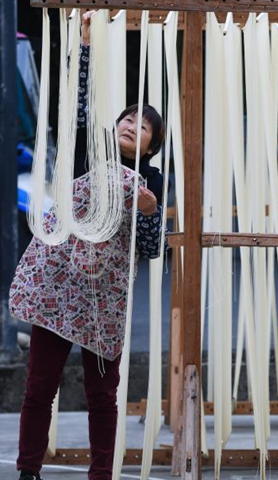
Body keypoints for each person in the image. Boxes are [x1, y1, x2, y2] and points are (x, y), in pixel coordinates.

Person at [9, 11, 165, 480]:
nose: (131, 126)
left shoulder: (150, 182)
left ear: (152, 147)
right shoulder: (87, 151)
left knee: (102, 396)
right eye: (127, 119)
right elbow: (80, 104)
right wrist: (87, 45)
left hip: (101, 297)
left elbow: (151, 248)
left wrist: (149, 210)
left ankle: (102, 473)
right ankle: (27, 470)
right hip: (59, 285)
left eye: (143, 127)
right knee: (39, 387)